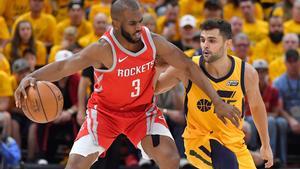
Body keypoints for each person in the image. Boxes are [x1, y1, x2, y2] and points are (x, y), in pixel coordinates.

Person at [15, 1, 240, 169]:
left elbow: (188, 66)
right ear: (116, 23)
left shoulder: (152, 40)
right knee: (74, 166)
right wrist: (32, 76)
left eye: (140, 21)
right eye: (132, 23)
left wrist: (218, 101)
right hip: (104, 113)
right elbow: (66, 66)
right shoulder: (103, 48)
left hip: (141, 112)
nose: (138, 27)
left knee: (170, 158)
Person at [155, 19, 273, 168]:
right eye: (203, 40)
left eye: (212, 40)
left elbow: (257, 107)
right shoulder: (187, 67)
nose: (205, 45)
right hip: (199, 141)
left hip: (234, 144)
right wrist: (157, 69)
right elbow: (156, 88)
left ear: (228, 44)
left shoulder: (246, 72)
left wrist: (266, 144)